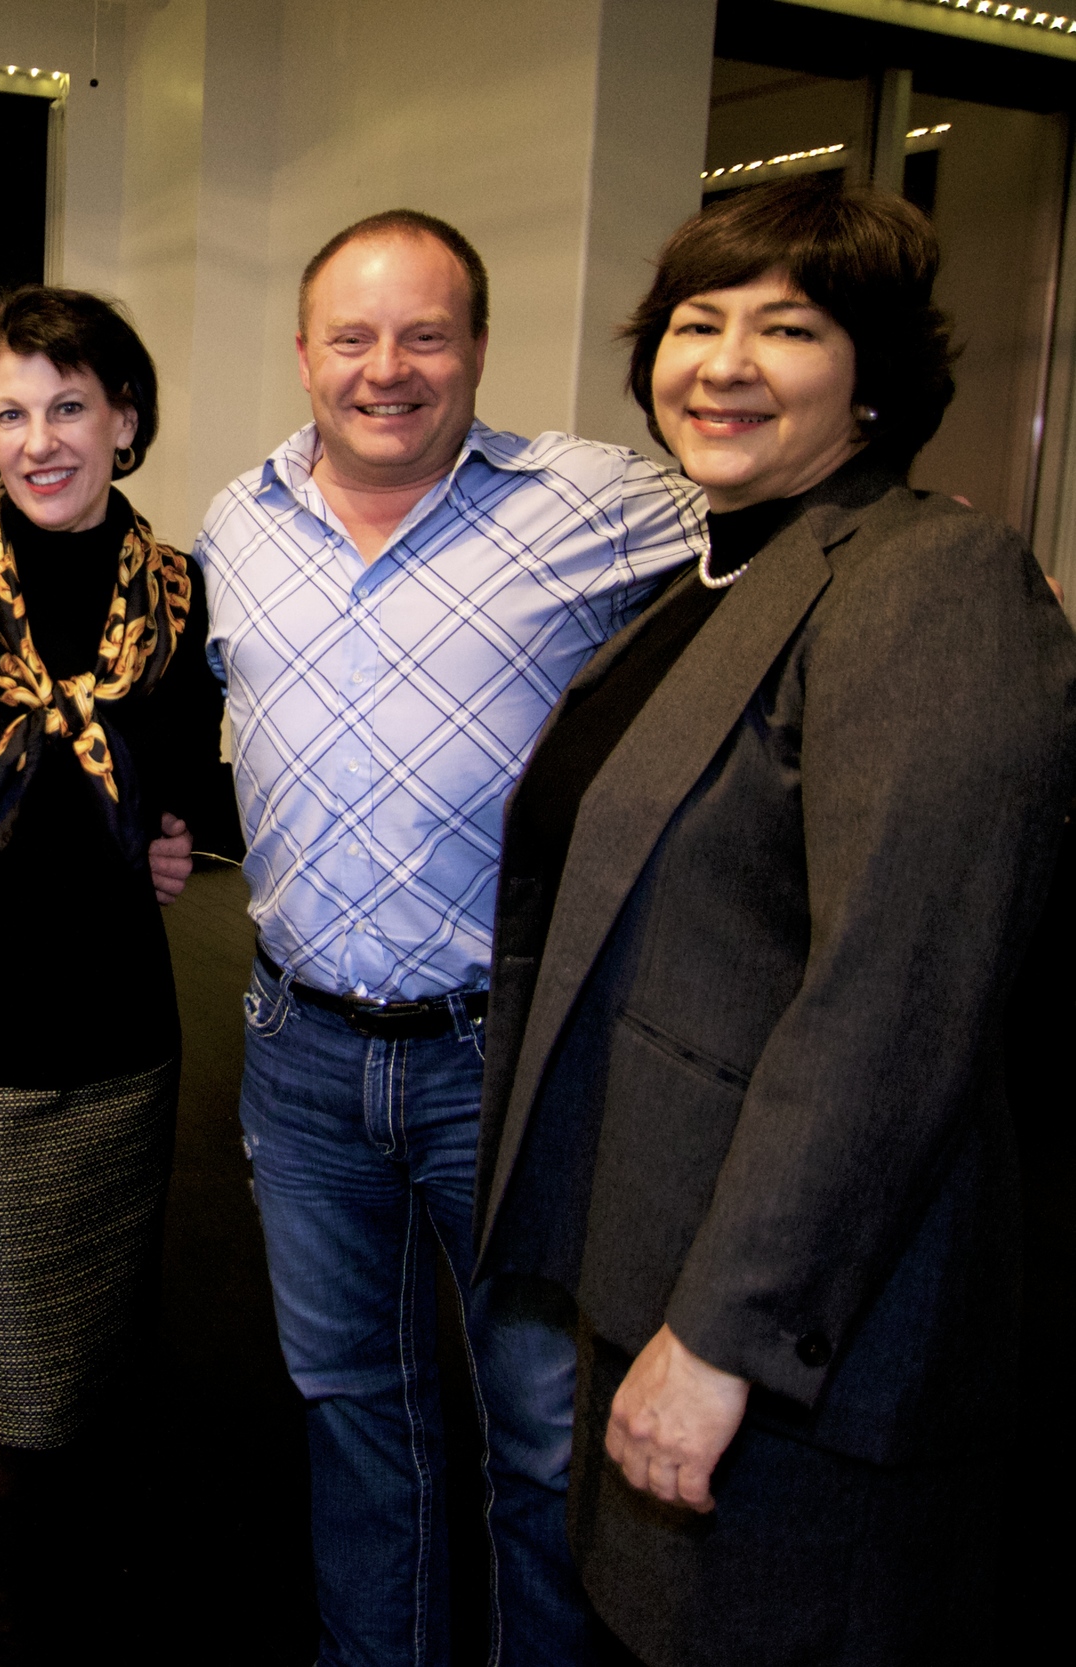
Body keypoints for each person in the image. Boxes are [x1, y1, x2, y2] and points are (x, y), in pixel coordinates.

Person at [475, 177, 1074, 1666]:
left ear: (875, 377)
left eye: (789, 328)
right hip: (660, 1263)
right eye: (698, 322)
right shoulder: (709, 581)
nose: (726, 363)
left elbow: (893, 1002)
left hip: (799, 1337)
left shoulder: (931, 580)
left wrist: (724, 1335)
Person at [192, 208, 704, 1666]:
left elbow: (789, 543)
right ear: (303, 352)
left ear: (478, 347)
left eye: (425, 335)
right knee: (355, 1412)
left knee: (541, 1431)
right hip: (298, 1052)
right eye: (352, 337)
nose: (387, 369)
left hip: (506, 1058)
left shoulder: (600, 504)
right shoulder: (237, 521)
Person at [0, 286, 236, 1661]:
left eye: (69, 405)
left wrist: (174, 828)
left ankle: (74, 1595)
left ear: (125, 418)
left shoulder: (182, 596)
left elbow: (194, 780)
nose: (38, 440)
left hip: (117, 1036)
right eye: (10, 412)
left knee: (87, 1367)